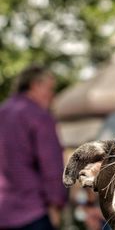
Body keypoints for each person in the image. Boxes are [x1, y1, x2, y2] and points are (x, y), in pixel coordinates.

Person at [0, 65, 68, 229]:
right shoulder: (38, 115)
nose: (52, 95)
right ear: (35, 85)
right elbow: (51, 163)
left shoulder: (2, 111)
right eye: (50, 88)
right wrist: (56, 203)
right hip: (33, 211)